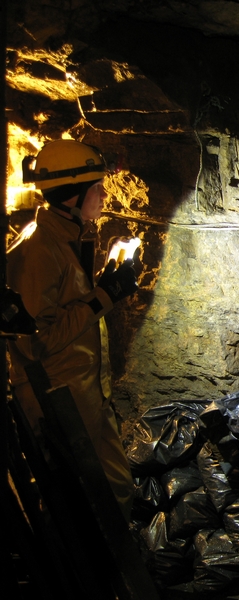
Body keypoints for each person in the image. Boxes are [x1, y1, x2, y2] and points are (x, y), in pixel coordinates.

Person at [7, 139, 139, 520]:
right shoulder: (40, 249)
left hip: (84, 395)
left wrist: (107, 283)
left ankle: (112, 570)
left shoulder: (68, 237)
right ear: (73, 195)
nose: (103, 194)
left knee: (116, 488)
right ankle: (90, 574)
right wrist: (103, 297)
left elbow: (68, 305)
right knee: (72, 501)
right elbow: (35, 341)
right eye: (97, 187)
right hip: (56, 401)